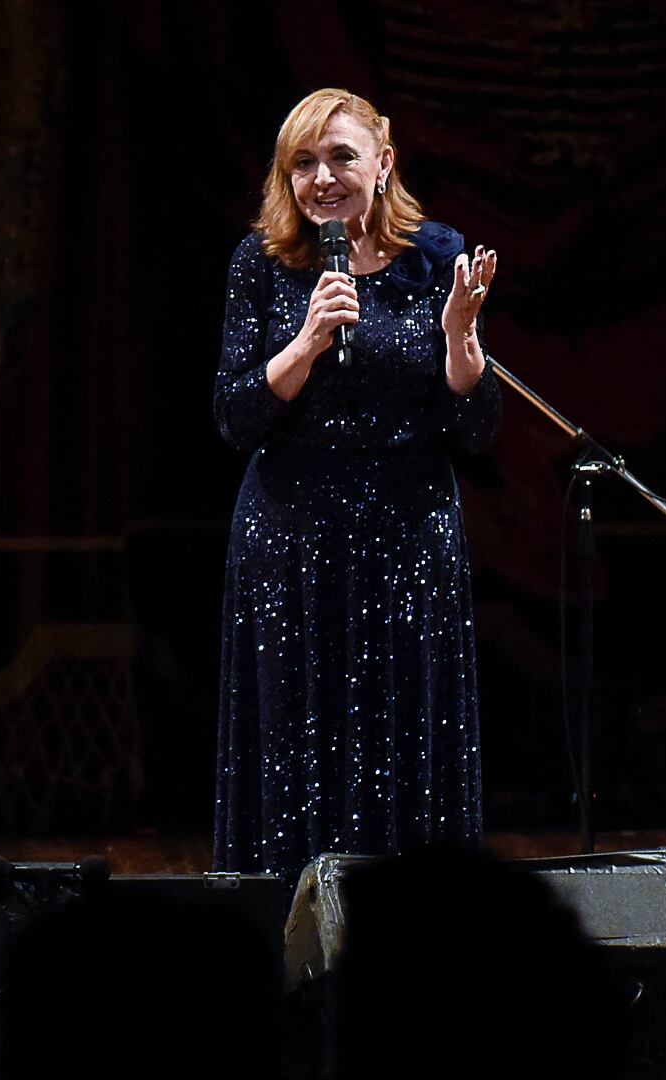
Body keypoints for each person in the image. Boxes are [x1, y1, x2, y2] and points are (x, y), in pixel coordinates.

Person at [213, 89, 502, 878]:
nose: (323, 178)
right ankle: (295, 952)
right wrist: (304, 343)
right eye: (302, 162)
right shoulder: (264, 263)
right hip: (293, 547)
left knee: (407, 741)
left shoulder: (436, 257)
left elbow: (475, 429)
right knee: (295, 746)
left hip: (410, 538)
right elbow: (235, 417)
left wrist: (460, 340)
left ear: (384, 162)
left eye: (341, 156)